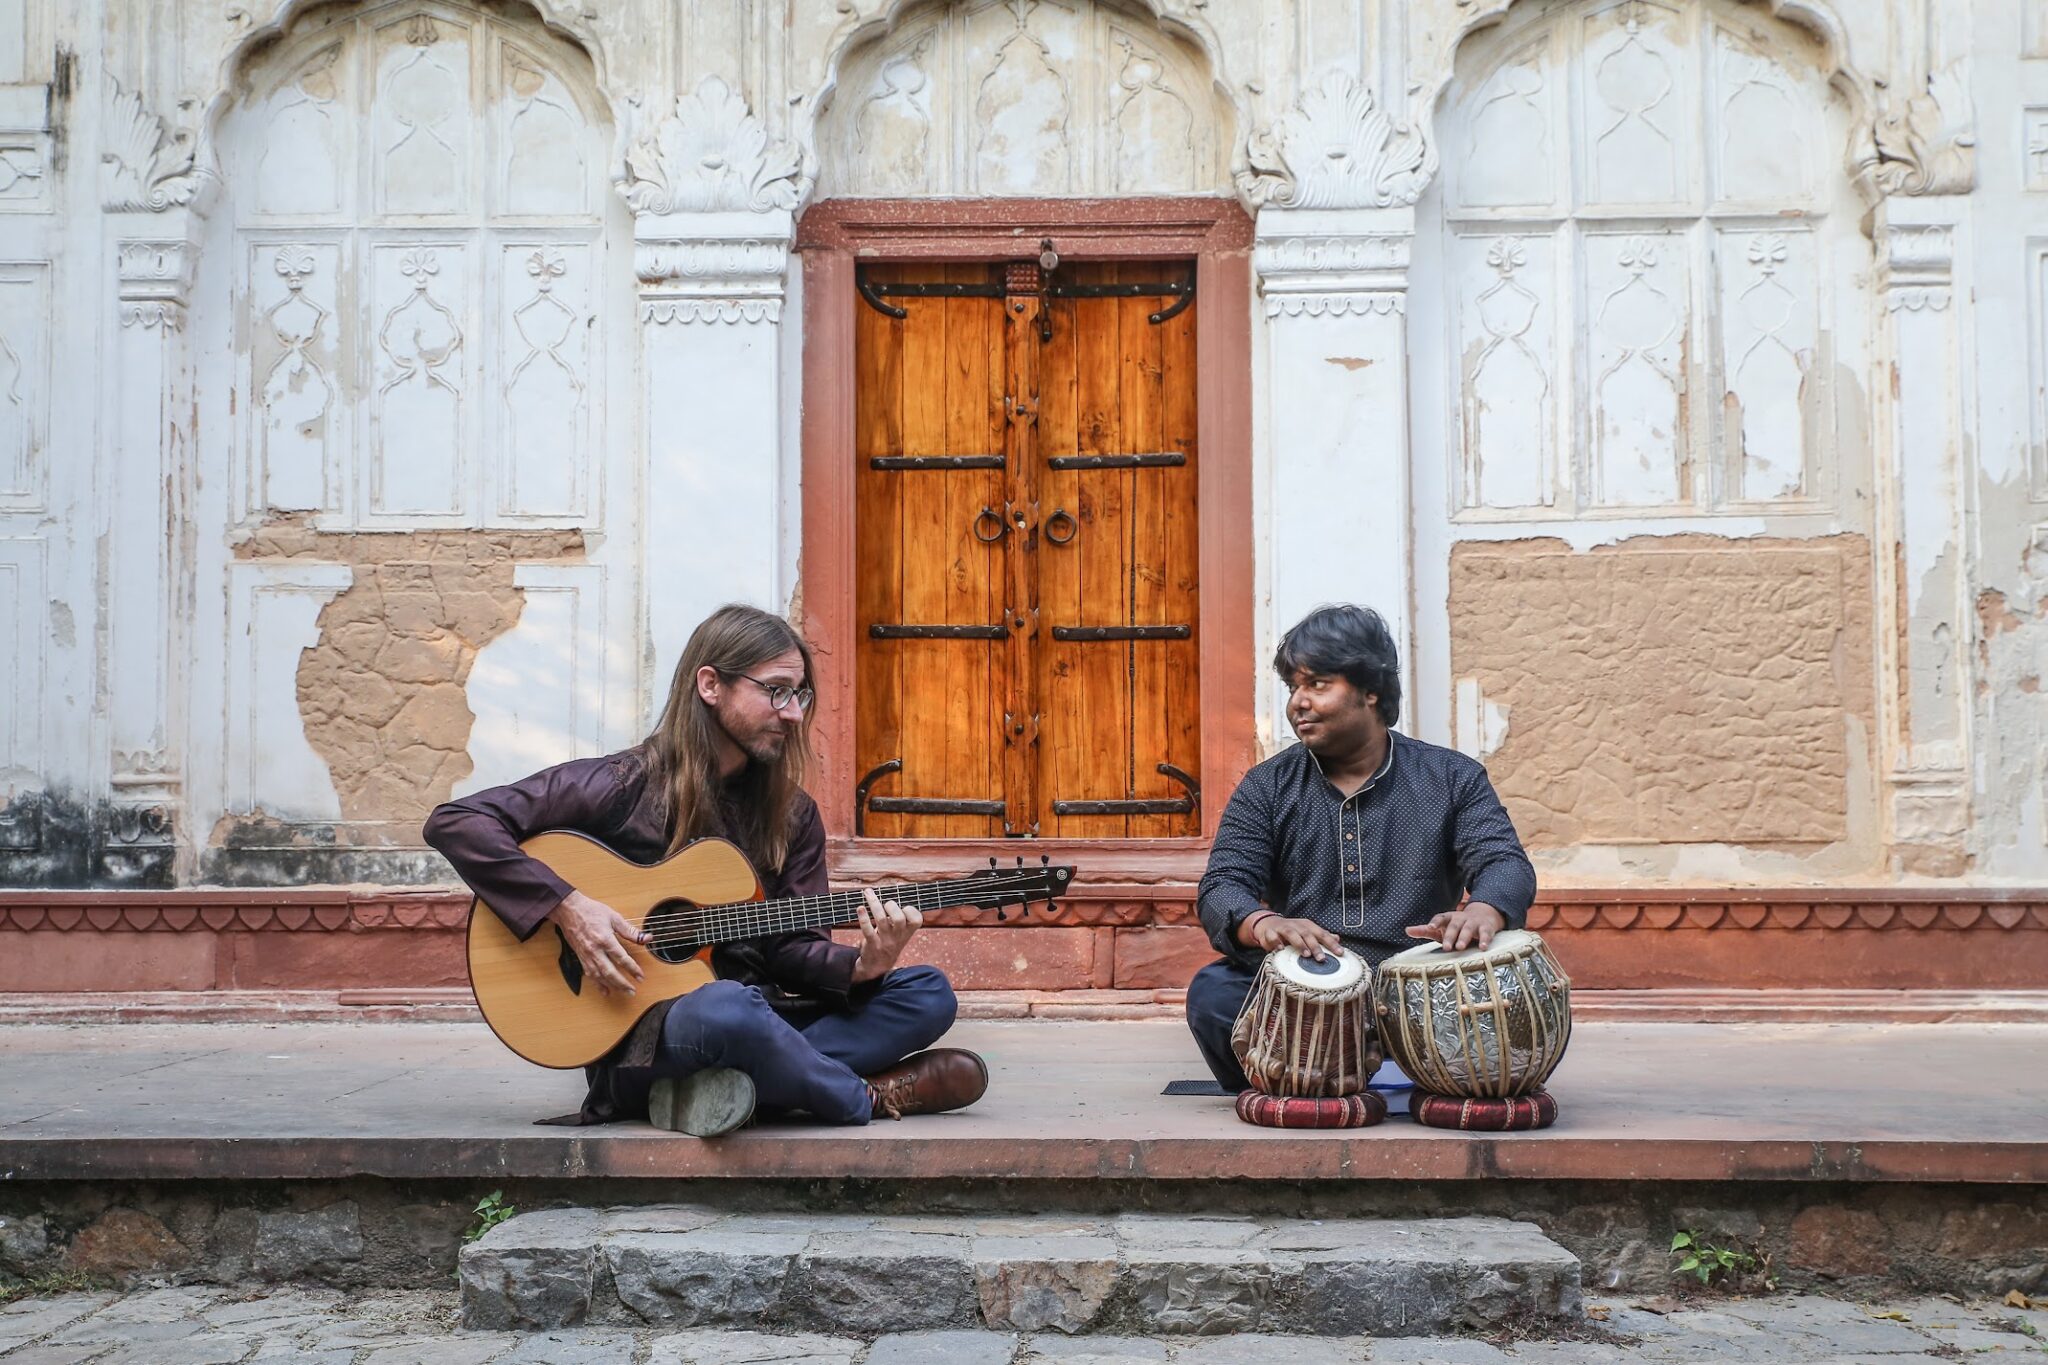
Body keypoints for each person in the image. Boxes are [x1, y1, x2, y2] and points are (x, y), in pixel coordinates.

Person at [425, 604, 988, 1136]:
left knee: (926, 992)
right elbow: (458, 821)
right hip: (651, 1033)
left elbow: (792, 949)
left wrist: (864, 966)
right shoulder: (623, 784)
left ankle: (739, 1088)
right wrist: (569, 908)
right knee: (725, 1008)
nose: (793, 714)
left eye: (800, 696)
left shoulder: (792, 815)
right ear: (710, 685)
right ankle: (858, 1096)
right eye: (776, 692)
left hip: (761, 1011)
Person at [1186, 604, 1537, 1093]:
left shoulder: (1452, 778)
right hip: (1307, 988)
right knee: (1215, 995)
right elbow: (1224, 884)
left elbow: (1503, 861)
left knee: (1515, 989)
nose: (1298, 703)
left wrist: (1483, 909)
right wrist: (1265, 924)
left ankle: (1334, 1073)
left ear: (1371, 690)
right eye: (1293, 687)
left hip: (1423, 987)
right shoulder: (1266, 787)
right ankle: (1333, 1067)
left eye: (1317, 684)